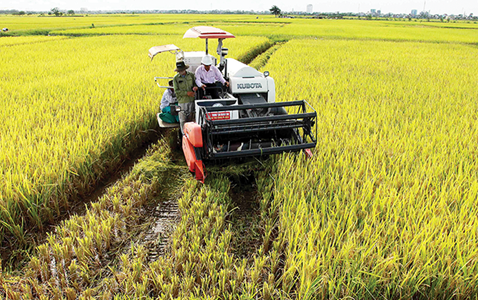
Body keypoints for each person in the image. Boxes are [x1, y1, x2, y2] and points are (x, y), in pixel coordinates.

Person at [173, 61, 198, 134]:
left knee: (191, 119)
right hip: (182, 102)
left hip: (191, 100)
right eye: (179, 71)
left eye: (181, 70)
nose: (180, 72)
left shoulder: (191, 75)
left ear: (185, 69)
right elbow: (176, 91)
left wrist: (195, 87)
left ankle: (190, 134)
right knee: (183, 120)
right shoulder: (176, 79)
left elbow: (195, 84)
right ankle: (184, 135)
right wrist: (187, 93)